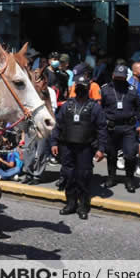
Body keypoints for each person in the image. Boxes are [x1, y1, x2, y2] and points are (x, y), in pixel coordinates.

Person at [50, 74, 107, 220]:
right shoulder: (67, 106)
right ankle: (70, 203)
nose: (81, 90)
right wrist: (54, 142)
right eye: (78, 87)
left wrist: (101, 149)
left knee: (83, 176)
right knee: (68, 175)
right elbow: (58, 125)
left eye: (83, 87)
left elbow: (101, 129)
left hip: (85, 148)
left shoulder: (94, 107)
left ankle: (83, 206)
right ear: (75, 88)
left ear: (88, 89)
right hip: (67, 146)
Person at [100, 65, 140, 192]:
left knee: (130, 155)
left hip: (128, 127)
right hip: (111, 127)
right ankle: (111, 177)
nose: (119, 79)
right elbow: (100, 108)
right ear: (113, 76)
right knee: (111, 154)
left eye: (122, 77)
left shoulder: (132, 90)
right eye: (117, 77)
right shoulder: (105, 89)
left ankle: (129, 179)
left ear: (126, 77)